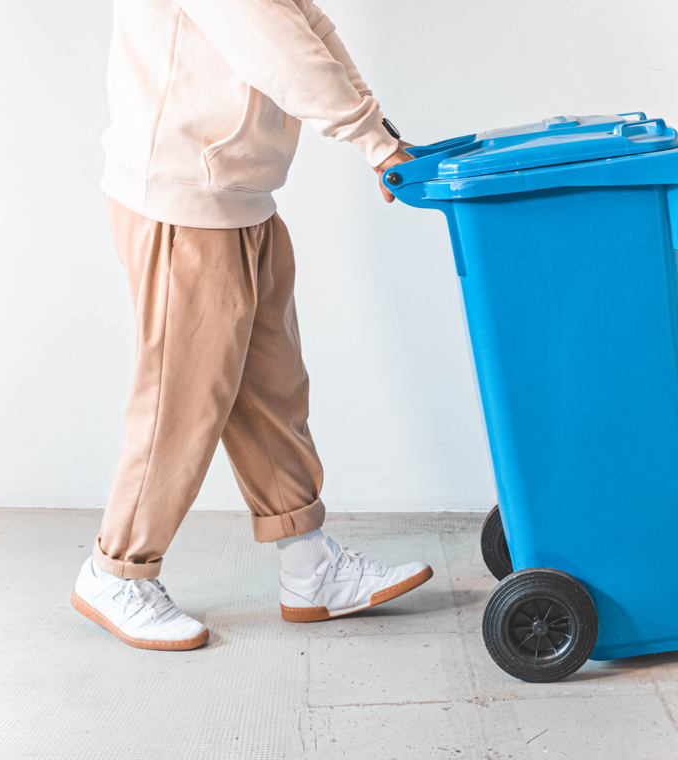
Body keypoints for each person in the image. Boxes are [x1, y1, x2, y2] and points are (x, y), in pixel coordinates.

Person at [69, 0, 429, 651]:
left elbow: (306, 28)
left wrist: (382, 131)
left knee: (271, 389)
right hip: (183, 198)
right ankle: (115, 570)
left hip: (237, 194)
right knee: (180, 398)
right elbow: (275, 47)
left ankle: (308, 565)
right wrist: (372, 141)